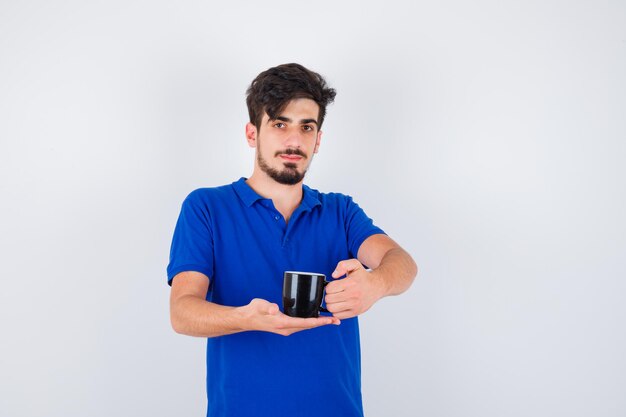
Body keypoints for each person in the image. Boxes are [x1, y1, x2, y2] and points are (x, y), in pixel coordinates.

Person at [167, 63, 417, 417]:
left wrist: (375, 285)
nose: (294, 141)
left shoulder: (340, 211)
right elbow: (182, 312)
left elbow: (402, 262)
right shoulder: (207, 207)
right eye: (280, 124)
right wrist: (246, 318)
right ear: (252, 133)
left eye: (306, 127)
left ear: (318, 140)